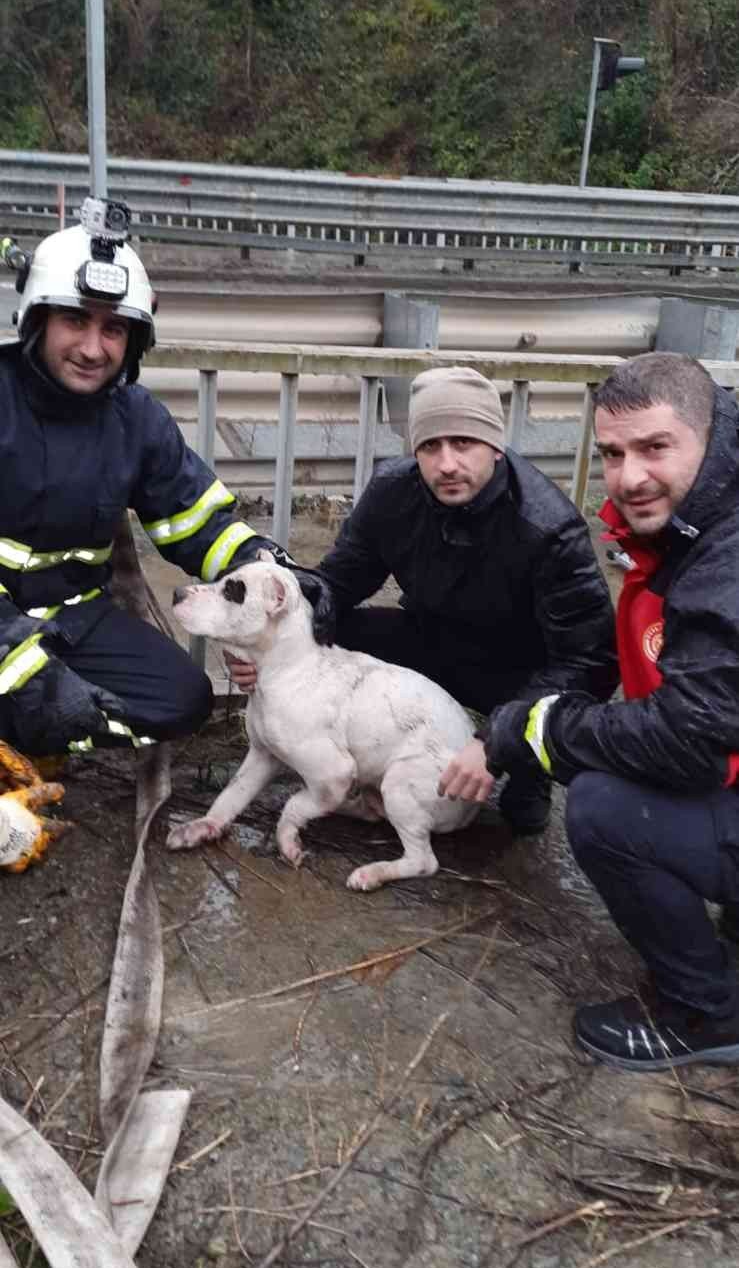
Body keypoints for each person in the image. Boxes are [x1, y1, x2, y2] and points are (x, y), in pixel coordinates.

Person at [0, 209, 332, 776]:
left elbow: (197, 523)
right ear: (37, 321)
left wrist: (272, 568)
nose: (93, 348)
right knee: (28, 686)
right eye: (75, 320)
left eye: (113, 329)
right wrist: (19, 663)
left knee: (183, 698)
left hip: (73, 617)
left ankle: (38, 728)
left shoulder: (137, 419)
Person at [483, 351, 739, 1071]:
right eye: (612, 454)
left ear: (708, 437)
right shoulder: (700, 525)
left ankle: (705, 1014)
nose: (628, 478)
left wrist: (535, 728)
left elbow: (688, 736)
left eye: (655, 448)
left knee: (606, 807)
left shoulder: (725, 561)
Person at [229, 365, 617, 834]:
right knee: (330, 629)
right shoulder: (393, 492)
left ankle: (527, 771)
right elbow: (336, 585)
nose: (447, 464)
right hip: (430, 637)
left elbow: (589, 661)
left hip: (515, 669)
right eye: (431, 446)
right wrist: (268, 646)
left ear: (496, 446)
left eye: (464, 443)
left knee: (520, 816)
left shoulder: (549, 527)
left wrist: (500, 737)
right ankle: (351, 746)